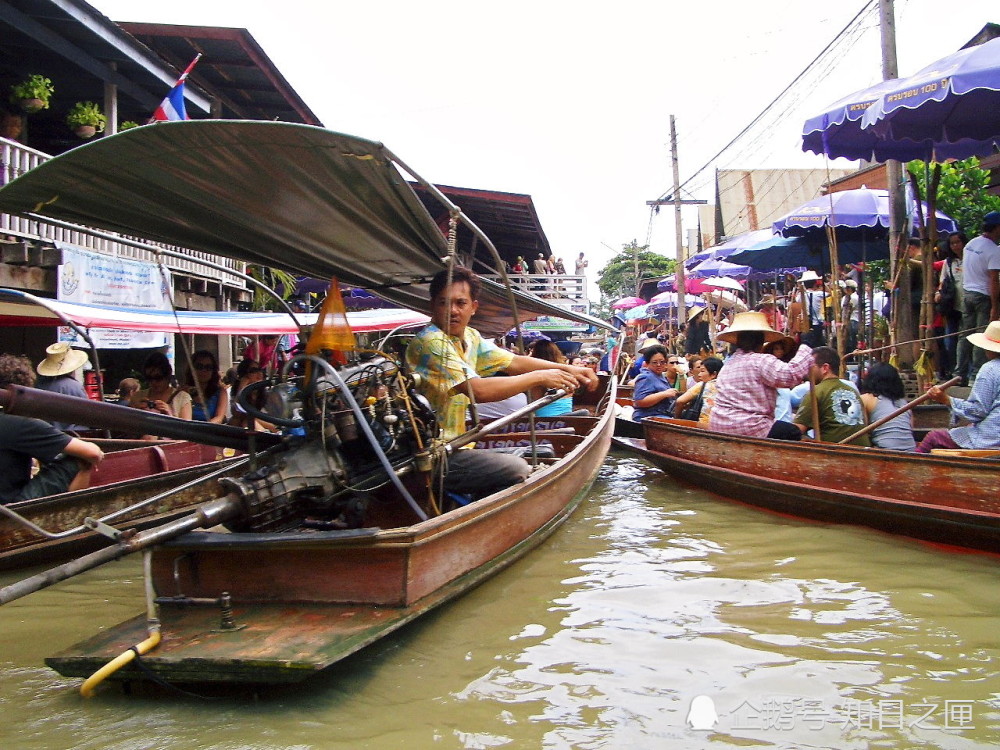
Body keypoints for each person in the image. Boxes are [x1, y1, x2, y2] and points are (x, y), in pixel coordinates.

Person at [406, 267, 596, 499]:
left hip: (461, 445)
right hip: (435, 454)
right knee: (517, 469)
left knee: (541, 452)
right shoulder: (432, 342)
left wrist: (569, 368)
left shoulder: (470, 337)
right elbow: (478, 391)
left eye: (461, 303)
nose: (452, 311)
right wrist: (540, 377)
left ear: (473, 307)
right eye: (444, 303)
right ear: (432, 305)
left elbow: (513, 362)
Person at [0, 354, 103, 503]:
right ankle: (69, 510)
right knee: (79, 460)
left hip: (50, 436)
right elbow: (92, 453)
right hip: (10, 507)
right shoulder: (20, 423)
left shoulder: (44, 387)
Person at [708, 312, 812, 440]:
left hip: (719, 425)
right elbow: (790, 376)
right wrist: (806, 347)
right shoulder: (760, 361)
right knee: (792, 432)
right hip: (750, 427)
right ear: (761, 341)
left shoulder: (729, 364)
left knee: (785, 429)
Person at [916, 319, 1000, 453]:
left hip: (992, 437)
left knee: (934, 437)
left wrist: (947, 400)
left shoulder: (990, 369)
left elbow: (978, 411)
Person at [954, 211, 1000, 385]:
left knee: (965, 335)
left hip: (967, 294)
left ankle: (959, 374)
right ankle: (975, 376)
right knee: (982, 335)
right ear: (996, 228)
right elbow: (994, 280)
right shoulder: (993, 250)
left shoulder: (971, 244)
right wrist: (995, 307)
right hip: (983, 296)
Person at [793, 346, 869, 446]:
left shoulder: (815, 392)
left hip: (835, 454)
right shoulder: (852, 391)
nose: (807, 371)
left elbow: (796, 430)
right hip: (863, 450)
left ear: (825, 368)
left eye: (810, 366)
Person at [859, 363, 916, 451]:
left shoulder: (866, 399)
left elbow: (862, 431)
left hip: (885, 450)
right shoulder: (905, 403)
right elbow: (910, 429)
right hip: (911, 449)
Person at [34, 341, 90, 431]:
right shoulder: (75, 386)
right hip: (73, 436)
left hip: (45, 433)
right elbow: (87, 414)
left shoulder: (39, 385)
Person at [935, 232, 966, 381]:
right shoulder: (948, 262)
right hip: (952, 304)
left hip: (968, 303)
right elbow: (943, 282)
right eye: (952, 243)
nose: (955, 246)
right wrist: (938, 293)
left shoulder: (971, 258)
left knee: (966, 338)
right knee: (950, 340)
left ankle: (964, 370)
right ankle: (954, 369)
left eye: (958, 242)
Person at [129, 352, 193, 421]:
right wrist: (136, 414)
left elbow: (186, 429)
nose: (153, 382)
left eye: (158, 378)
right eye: (149, 378)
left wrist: (170, 415)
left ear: (168, 375)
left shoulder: (182, 398)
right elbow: (127, 427)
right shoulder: (137, 397)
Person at [631, 346, 685, 422]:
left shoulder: (661, 376)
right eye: (654, 362)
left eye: (662, 362)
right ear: (647, 363)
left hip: (663, 415)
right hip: (648, 417)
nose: (659, 365)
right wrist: (664, 394)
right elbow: (640, 401)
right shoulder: (646, 377)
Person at [673, 356, 722, 425]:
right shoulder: (728, 386)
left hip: (704, 425)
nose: (699, 374)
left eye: (702, 371)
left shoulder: (702, 385)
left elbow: (680, 401)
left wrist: (677, 419)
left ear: (713, 374)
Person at [184, 350, 230, 423]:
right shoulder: (183, 391)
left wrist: (201, 429)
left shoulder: (220, 392)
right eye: (199, 367)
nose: (204, 370)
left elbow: (219, 418)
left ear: (213, 370)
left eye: (208, 367)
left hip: (210, 431)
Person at [799, 270, 826, 348]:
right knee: (818, 345)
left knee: (808, 345)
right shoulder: (819, 294)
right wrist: (821, 283)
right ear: (815, 284)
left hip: (806, 324)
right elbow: (829, 293)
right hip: (817, 324)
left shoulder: (800, 296)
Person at [841, 279, 860, 354]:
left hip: (852, 320)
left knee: (852, 339)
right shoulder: (845, 297)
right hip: (848, 321)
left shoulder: (854, 297)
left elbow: (848, 309)